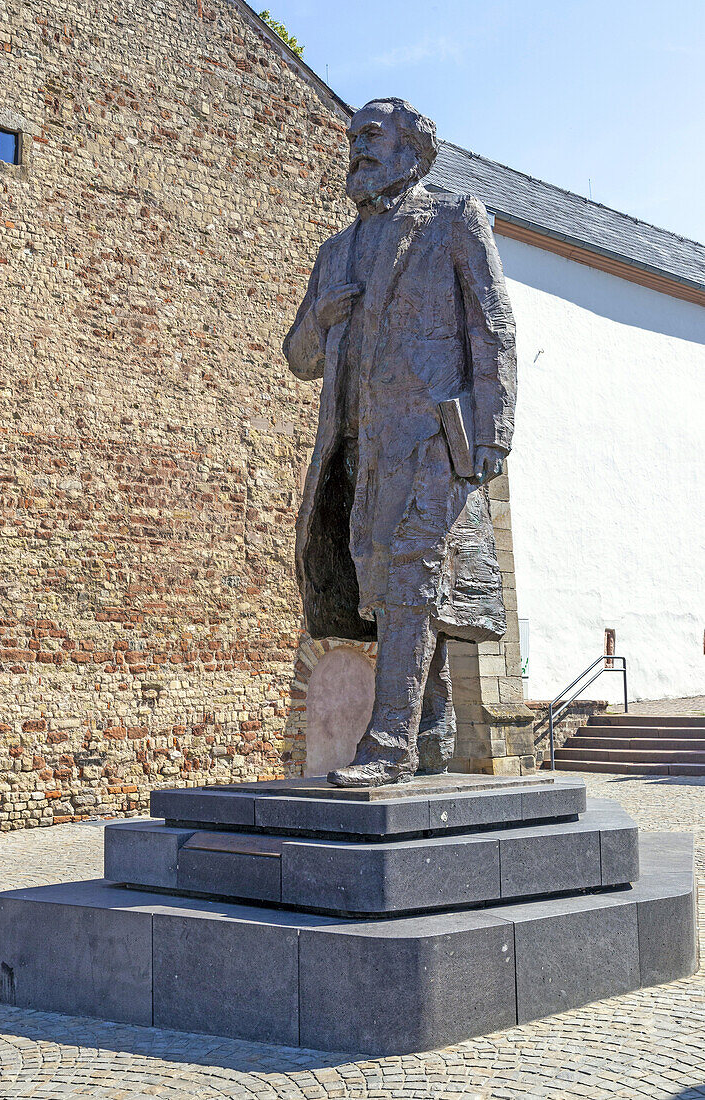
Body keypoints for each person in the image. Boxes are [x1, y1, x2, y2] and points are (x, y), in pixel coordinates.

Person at [283, 98, 516, 787]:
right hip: (355, 450)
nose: (356, 146)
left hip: (431, 437)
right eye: (352, 135)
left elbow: (492, 326)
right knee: (382, 588)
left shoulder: (451, 220)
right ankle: (432, 731)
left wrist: (493, 432)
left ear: (413, 151)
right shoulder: (335, 252)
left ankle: (389, 746)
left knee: (410, 579)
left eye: (371, 135)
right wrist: (323, 319)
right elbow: (298, 358)